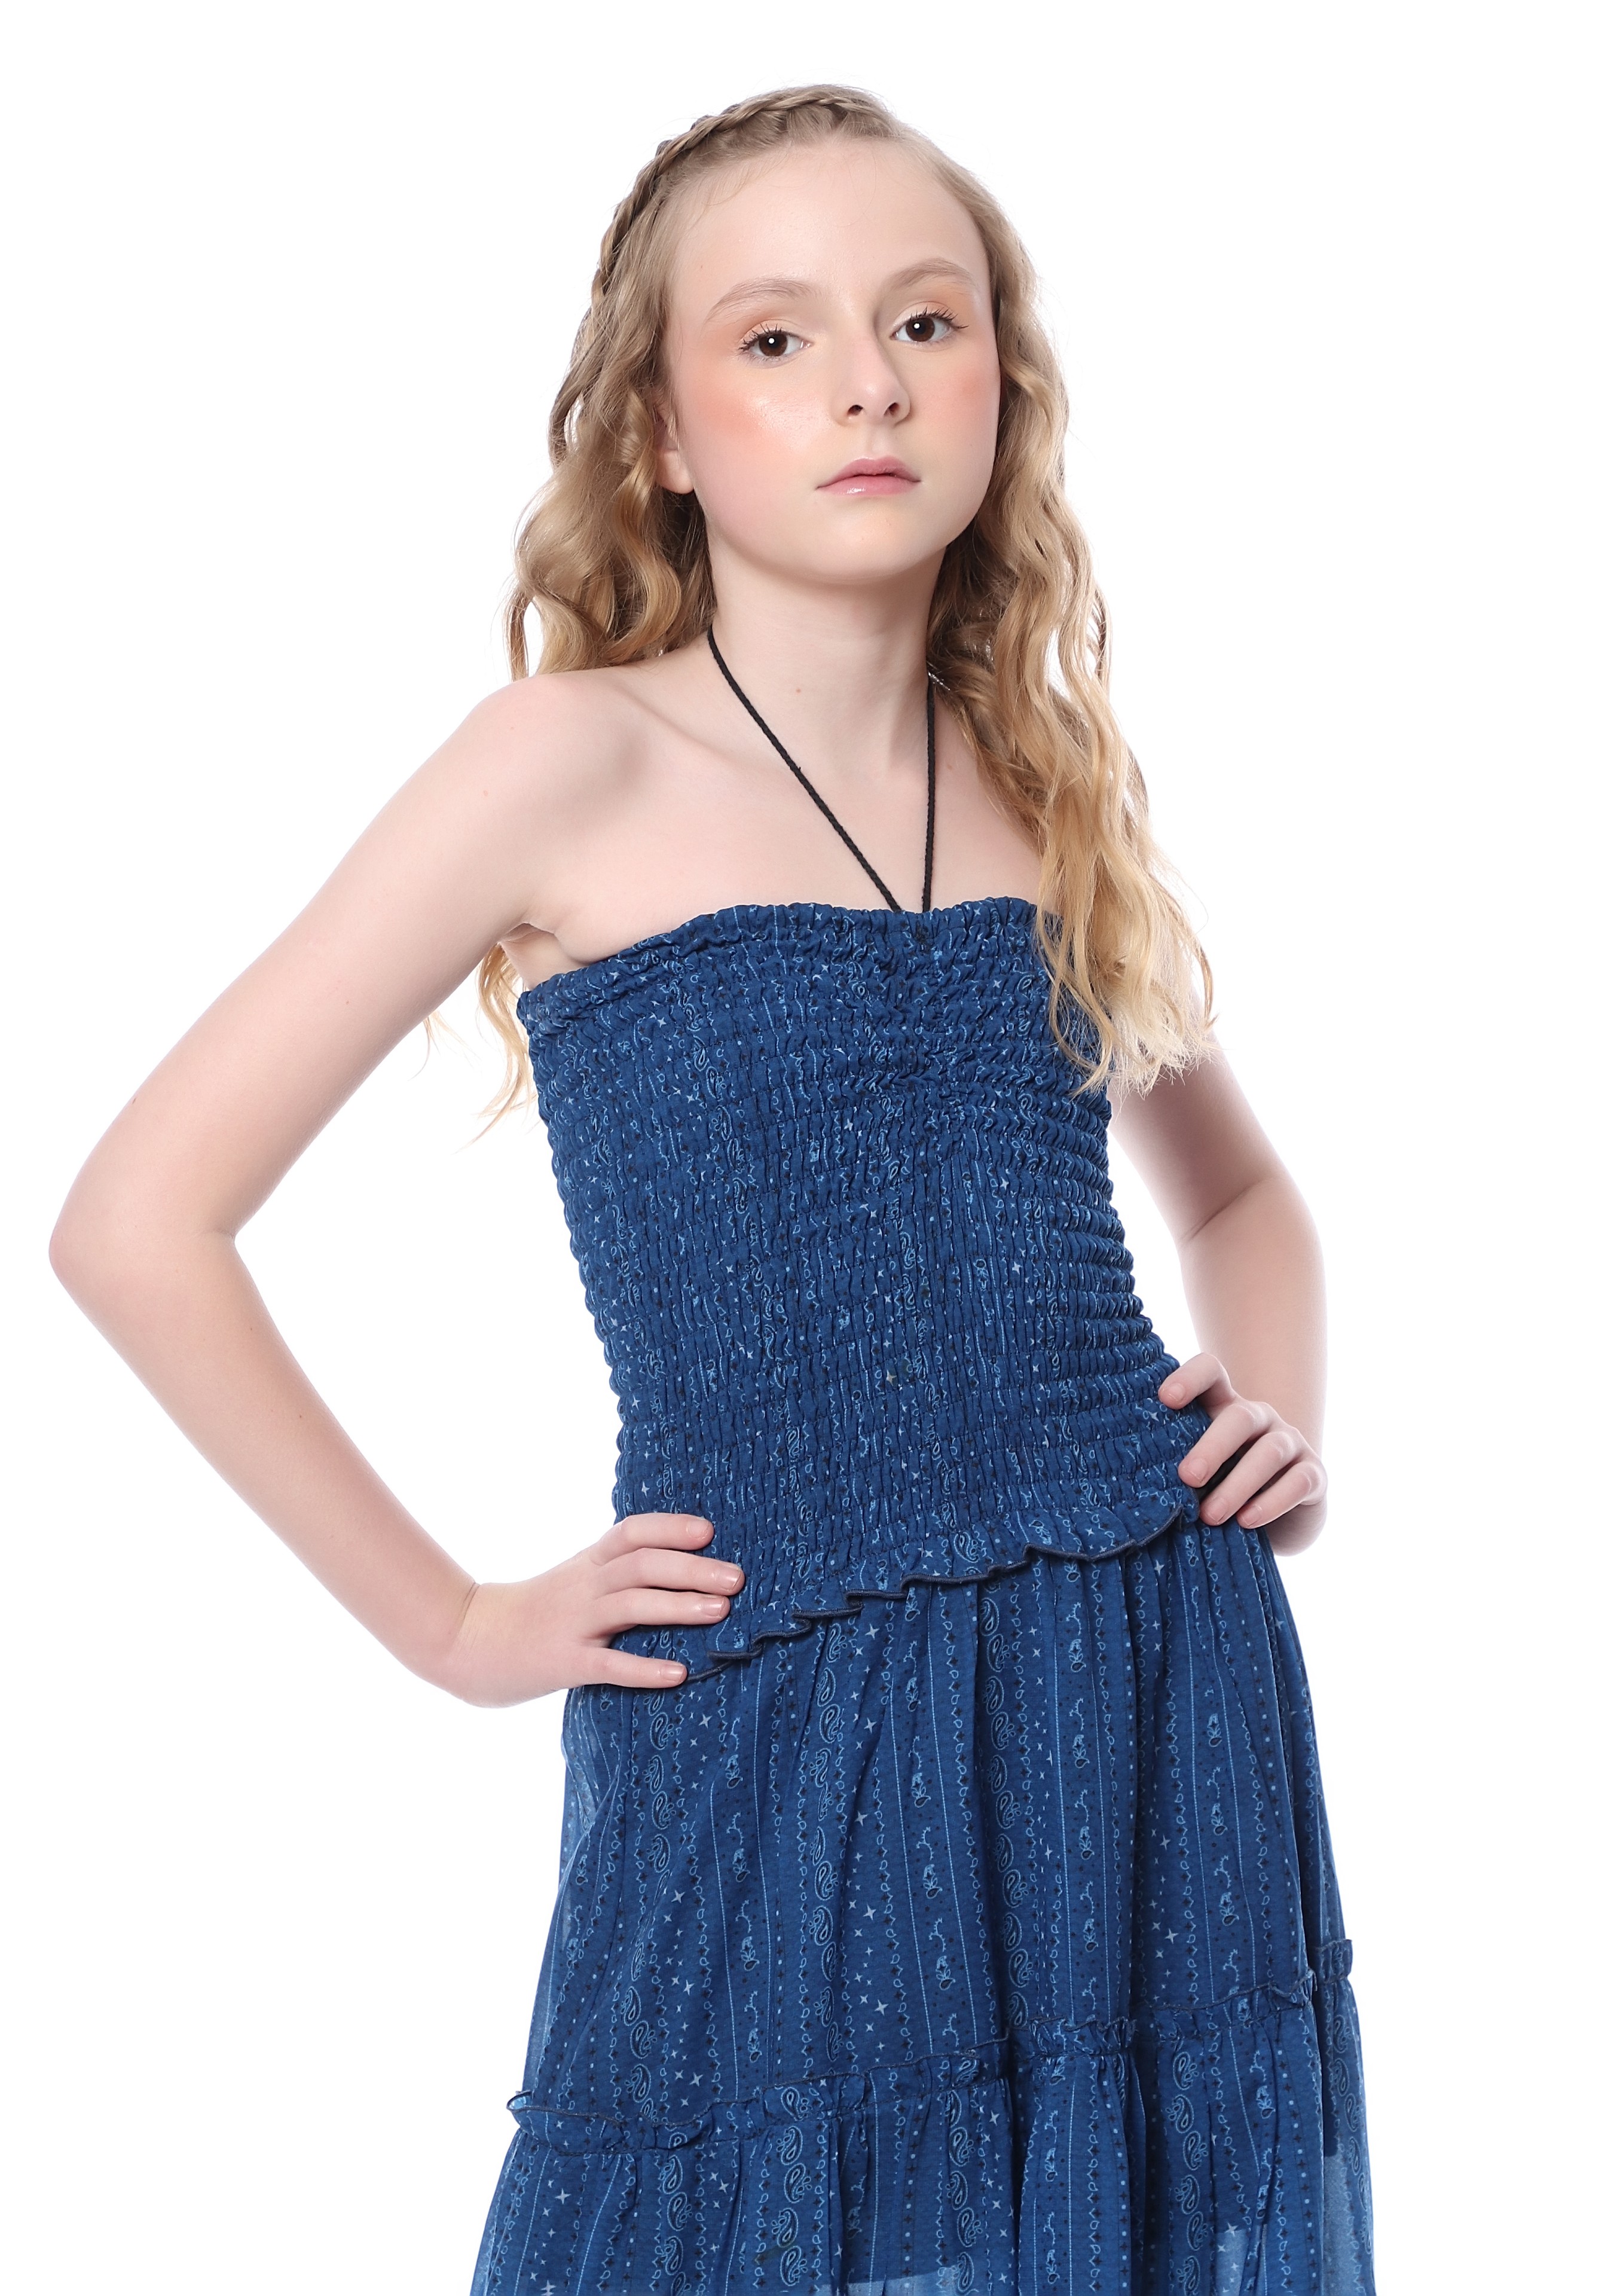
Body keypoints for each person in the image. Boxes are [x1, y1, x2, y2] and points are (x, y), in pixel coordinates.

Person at [50, 83, 1377, 2296]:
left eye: (923, 321)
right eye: (774, 337)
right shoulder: (565, 758)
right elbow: (134, 1220)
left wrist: (1276, 1430)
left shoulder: (1044, 786)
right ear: (659, 432)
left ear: (999, 387)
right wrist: (452, 1625)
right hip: (776, 1706)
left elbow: (1243, 1204)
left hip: (1150, 1682)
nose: (866, 381)